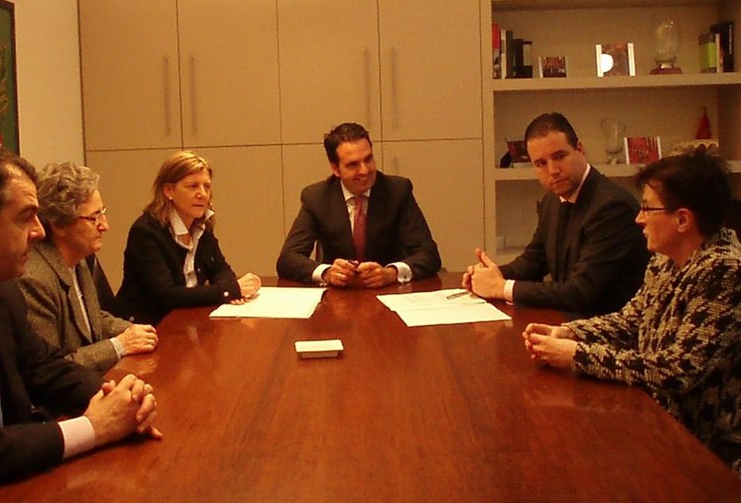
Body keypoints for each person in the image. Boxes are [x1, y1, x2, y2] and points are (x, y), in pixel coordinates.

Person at [0, 146, 161, 500]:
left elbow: (43, 367)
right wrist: (93, 428)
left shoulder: (2, 291)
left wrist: (120, 399)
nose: (40, 232)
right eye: (26, 217)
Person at [523, 150, 741, 475]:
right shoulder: (666, 258)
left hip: (699, 444)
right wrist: (571, 332)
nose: (638, 218)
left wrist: (577, 355)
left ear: (682, 220)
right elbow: (631, 321)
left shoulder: (724, 271)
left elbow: (676, 370)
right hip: (653, 415)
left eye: (647, 208)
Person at [463, 112, 648, 317]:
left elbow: (580, 292)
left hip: (609, 326)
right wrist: (490, 275)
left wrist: (501, 287)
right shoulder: (552, 200)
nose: (552, 170)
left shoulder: (612, 206)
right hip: (570, 321)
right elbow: (534, 261)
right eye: (541, 163)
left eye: (559, 156)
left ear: (580, 150)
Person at [9, 162, 158, 374]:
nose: (105, 225)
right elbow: (50, 370)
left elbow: (91, 319)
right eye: (94, 218)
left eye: (103, 213)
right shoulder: (34, 280)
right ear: (59, 225)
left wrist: (132, 331)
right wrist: (119, 345)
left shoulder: (79, 257)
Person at [277, 122, 441, 288]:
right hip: (338, 295)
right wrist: (327, 273)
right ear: (336, 169)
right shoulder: (317, 198)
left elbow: (428, 254)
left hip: (389, 292)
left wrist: (391, 273)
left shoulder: (397, 191)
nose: (364, 170)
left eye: (368, 159)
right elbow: (288, 259)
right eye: (353, 164)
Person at [110, 151, 261, 325]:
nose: (202, 194)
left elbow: (221, 270)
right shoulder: (146, 232)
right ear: (169, 191)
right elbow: (168, 295)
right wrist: (229, 291)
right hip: (148, 326)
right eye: (193, 186)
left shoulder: (201, 225)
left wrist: (232, 290)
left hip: (187, 320)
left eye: (207, 186)